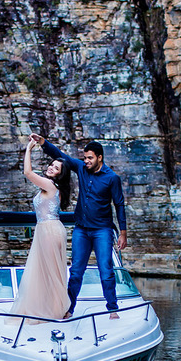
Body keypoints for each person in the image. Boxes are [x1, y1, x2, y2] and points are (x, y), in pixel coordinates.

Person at [29, 133, 126, 319]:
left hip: (102, 230)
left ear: (100, 157)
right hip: (81, 229)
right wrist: (43, 143)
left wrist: (123, 233)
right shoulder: (81, 168)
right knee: (75, 272)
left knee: (106, 270)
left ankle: (113, 309)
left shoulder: (112, 178)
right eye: (85, 158)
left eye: (90, 158)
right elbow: (62, 156)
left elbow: (119, 204)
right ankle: (69, 308)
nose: (86, 161)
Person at [8, 139, 71, 321]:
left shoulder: (50, 186)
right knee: (47, 271)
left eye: (56, 168)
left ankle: (58, 310)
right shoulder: (49, 186)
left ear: (60, 175)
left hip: (50, 230)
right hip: (46, 230)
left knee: (51, 272)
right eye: (52, 164)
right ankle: (52, 307)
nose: (51, 168)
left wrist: (29, 148)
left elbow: (27, 172)